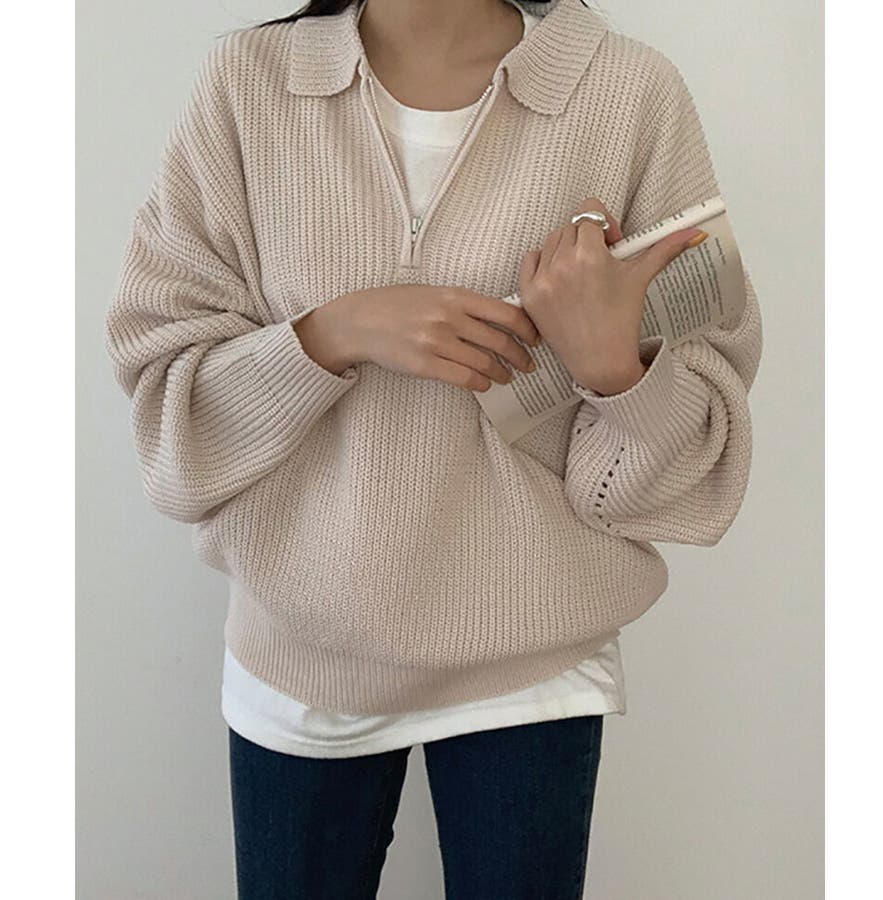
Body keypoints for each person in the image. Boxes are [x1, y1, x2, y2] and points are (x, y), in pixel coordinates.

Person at [103, 0, 763, 896]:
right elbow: (168, 405)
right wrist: (333, 333)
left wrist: (614, 369)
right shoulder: (247, 88)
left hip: (534, 655)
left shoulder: (627, 92)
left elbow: (694, 464)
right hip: (300, 651)